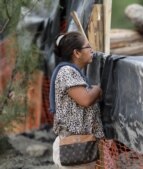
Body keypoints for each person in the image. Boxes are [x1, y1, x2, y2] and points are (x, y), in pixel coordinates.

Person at [50, 31, 104, 169]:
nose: (92, 50)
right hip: (74, 145)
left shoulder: (74, 73)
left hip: (80, 144)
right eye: (88, 46)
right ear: (77, 53)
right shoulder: (67, 72)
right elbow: (85, 100)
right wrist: (97, 89)